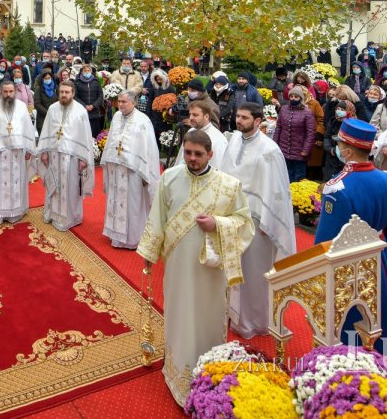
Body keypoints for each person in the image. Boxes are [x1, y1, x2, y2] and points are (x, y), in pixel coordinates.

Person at [137, 129, 253, 406]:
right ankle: (176, 368)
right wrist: (150, 251)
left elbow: (245, 223)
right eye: (188, 153)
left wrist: (218, 224)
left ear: (210, 154)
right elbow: (158, 216)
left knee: (207, 315)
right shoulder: (170, 177)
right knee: (179, 311)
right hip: (177, 266)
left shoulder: (228, 185)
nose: (192, 158)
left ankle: (208, 368)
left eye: (198, 154)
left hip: (210, 272)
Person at [315, 118, 387, 355]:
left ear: (348, 150)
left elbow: (326, 240)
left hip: (347, 264)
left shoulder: (338, 187)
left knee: (347, 319)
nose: (338, 149)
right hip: (378, 255)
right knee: (377, 311)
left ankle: (346, 359)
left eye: (340, 145)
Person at [223, 104, 296, 338]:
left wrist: (269, 223)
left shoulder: (269, 150)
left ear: (258, 121)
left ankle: (255, 322)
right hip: (233, 215)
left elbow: (276, 191)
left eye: (244, 118)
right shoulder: (234, 140)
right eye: (238, 116)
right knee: (233, 267)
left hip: (257, 220)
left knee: (253, 273)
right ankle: (234, 315)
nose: (239, 120)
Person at [100, 90, 160, 249]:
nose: (120, 104)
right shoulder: (116, 117)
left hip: (134, 169)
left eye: (124, 102)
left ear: (133, 102)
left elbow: (149, 149)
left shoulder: (143, 121)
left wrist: (147, 173)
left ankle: (132, 238)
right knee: (115, 200)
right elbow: (112, 139)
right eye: (119, 101)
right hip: (116, 166)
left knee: (132, 204)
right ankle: (115, 235)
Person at [35, 81, 96, 231]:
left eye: (67, 92)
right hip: (54, 154)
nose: (63, 95)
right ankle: (51, 214)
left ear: (73, 93)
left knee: (71, 188)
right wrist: (43, 152)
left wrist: (84, 158)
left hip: (72, 157)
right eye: (61, 92)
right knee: (53, 184)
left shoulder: (80, 111)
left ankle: (71, 217)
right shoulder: (52, 108)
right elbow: (46, 130)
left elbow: (85, 136)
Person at [0, 80, 38, 224]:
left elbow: (28, 128)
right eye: (5, 92)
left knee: (18, 181)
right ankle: (0, 213)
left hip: (18, 152)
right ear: (1, 92)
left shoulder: (22, 107)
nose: (8, 95)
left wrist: (29, 148)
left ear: (15, 92)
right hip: (0, 153)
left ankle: (18, 211)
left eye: (11, 92)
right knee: (0, 182)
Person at [273, 85, 315, 182]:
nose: (293, 98)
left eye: (296, 97)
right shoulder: (283, 109)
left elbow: (310, 133)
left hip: (299, 150)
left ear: (300, 98)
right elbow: (279, 127)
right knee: (286, 175)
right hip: (284, 148)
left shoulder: (307, 112)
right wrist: (275, 144)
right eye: (291, 96)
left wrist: (306, 150)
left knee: (299, 176)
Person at [174, 98, 227, 167]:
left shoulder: (217, 139)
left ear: (206, 116)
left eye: (195, 115)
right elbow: (181, 159)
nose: (191, 118)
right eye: (190, 114)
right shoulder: (191, 131)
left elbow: (216, 167)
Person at [73, 61, 106, 137]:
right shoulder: (77, 82)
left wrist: (93, 105)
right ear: (81, 72)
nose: (87, 72)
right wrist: (84, 106)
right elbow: (75, 96)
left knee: (94, 134)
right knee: (82, 135)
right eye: (85, 71)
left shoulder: (96, 81)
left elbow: (100, 95)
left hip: (94, 112)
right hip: (82, 112)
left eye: (88, 70)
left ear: (91, 71)